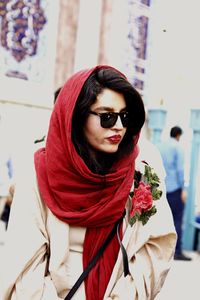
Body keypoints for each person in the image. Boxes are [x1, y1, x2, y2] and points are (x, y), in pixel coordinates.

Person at [0, 65, 176, 300]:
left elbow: (156, 248)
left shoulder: (141, 171)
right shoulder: (38, 171)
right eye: (107, 117)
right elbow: (25, 260)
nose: (119, 126)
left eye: (124, 116)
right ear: (78, 116)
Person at [158, 126, 191, 261]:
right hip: (175, 189)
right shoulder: (178, 147)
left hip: (161, 189)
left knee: (160, 220)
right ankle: (177, 251)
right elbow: (180, 170)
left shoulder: (160, 146)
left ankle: (159, 251)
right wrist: (183, 189)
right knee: (177, 219)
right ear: (178, 135)